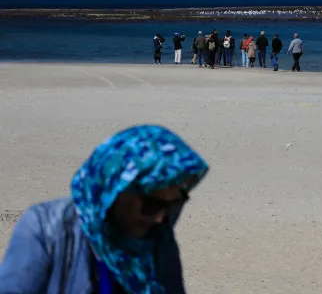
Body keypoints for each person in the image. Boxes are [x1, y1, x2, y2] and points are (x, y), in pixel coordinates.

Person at [0, 124, 209, 294]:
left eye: (173, 205)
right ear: (113, 192)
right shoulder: (47, 229)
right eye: (151, 205)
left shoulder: (157, 239)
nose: (159, 218)